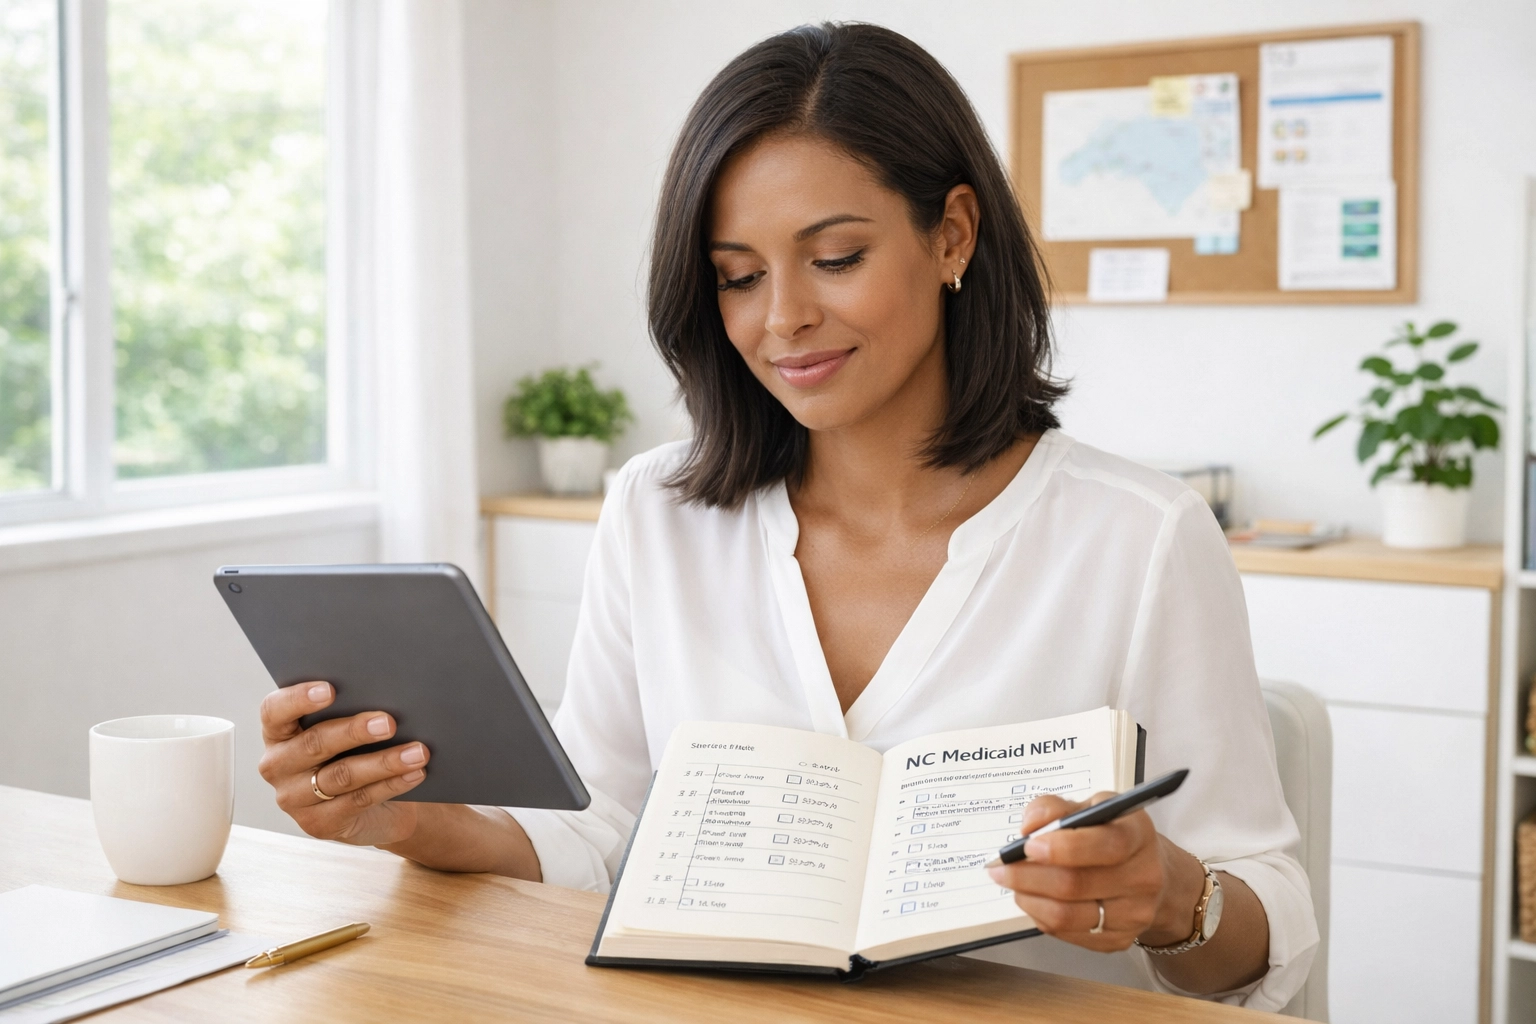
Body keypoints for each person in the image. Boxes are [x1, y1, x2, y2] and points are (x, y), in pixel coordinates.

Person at [256, 22, 1316, 1010]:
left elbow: (1270, 919)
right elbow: (601, 836)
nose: (784, 319)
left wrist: (1175, 896)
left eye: (837, 257)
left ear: (952, 234)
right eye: (738, 276)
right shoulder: (655, 513)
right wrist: (411, 820)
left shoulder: (1139, 537)